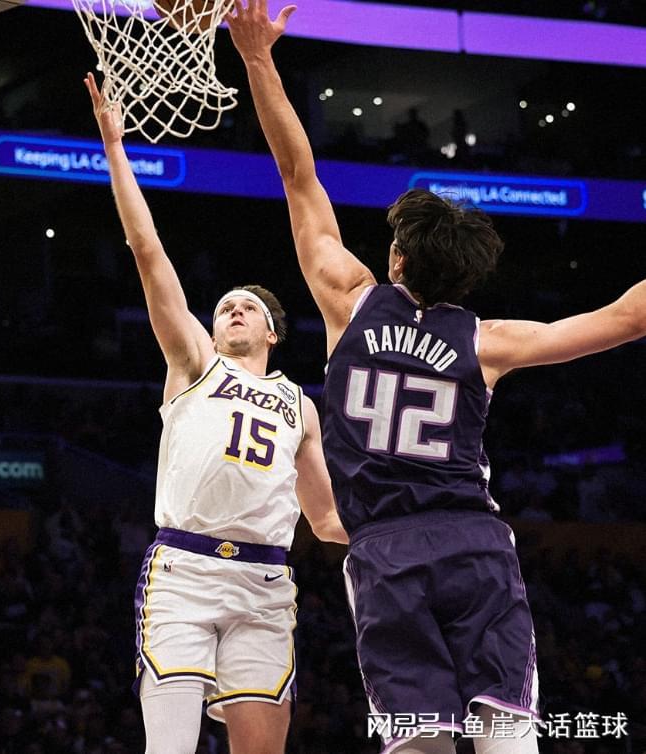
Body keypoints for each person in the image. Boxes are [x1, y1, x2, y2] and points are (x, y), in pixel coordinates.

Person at [227, 2, 646, 753]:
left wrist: (258, 58)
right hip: (473, 545)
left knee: (418, 740)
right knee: (506, 732)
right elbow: (625, 318)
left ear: (396, 259)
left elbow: (297, 175)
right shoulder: (490, 341)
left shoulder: (348, 300)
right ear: (467, 278)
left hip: (384, 553)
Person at [82, 72, 347, 754]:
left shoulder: (301, 404)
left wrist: (409, 530)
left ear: (272, 332)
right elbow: (148, 251)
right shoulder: (195, 362)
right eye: (224, 305)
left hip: (265, 580)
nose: (231, 310)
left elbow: (324, 518)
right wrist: (115, 149)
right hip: (185, 567)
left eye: (247, 306)